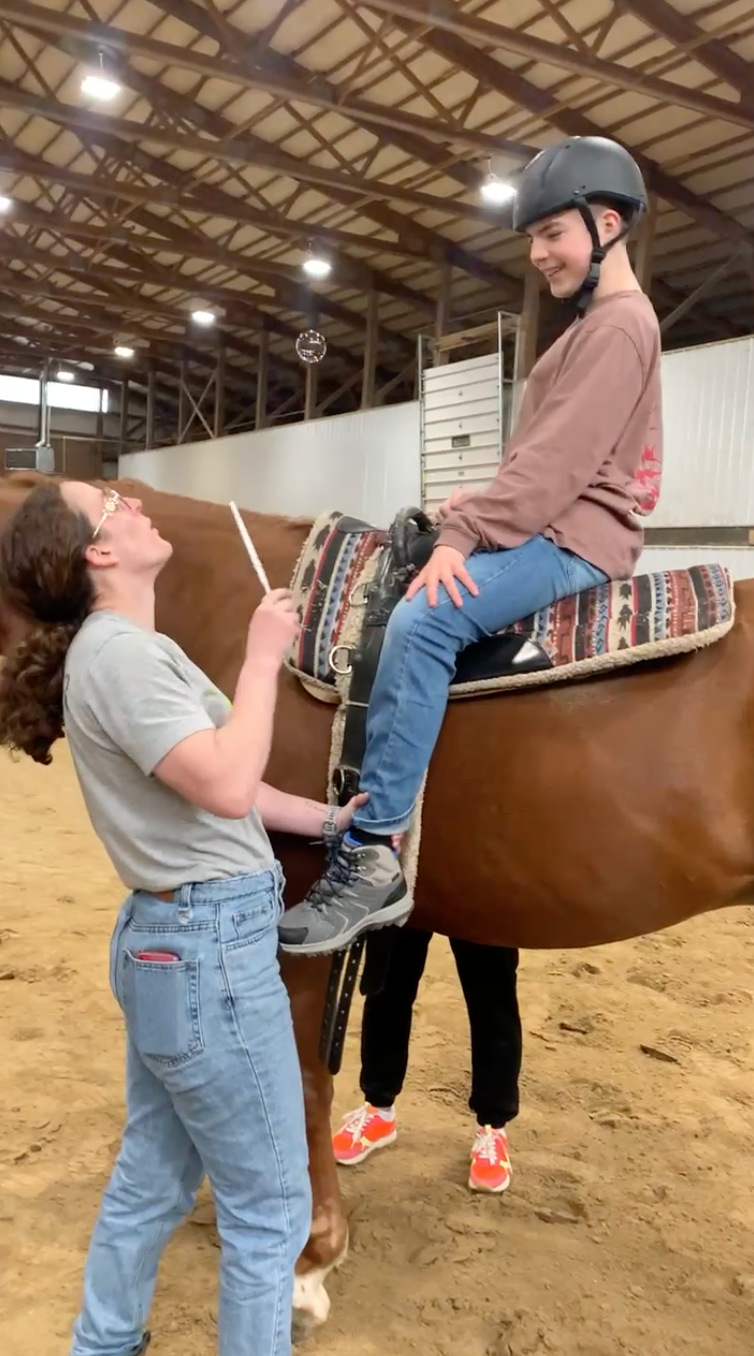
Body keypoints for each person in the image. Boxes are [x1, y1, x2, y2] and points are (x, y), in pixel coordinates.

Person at [0, 480, 367, 1356]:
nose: (132, 505)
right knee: (270, 1207)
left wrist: (328, 822)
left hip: (178, 945)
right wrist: (263, 656)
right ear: (98, 552)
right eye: (113, 503)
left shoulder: (128, 649)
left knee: (155, 1176)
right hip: (211, 951)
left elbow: (232, 787)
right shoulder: (122, 658)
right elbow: (228, 782)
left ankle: (105, 1342)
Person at [278, 134, 663, 957]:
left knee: (421, 624)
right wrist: (479, 499)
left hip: (570, 541)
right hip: (552, 520)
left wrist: (466, 530)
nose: (537, 255)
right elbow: (546, 455)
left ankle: (376, 849)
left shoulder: (619, 328)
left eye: (551, 234)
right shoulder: (594, 328)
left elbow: (558, 470)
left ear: (604, 224)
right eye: (533, 238)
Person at [332, 930, 521, 1194]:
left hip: (479, 892)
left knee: (492, 988)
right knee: (387, 982)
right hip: (407, 889)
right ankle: (378, 1107)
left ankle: (492, 1125)